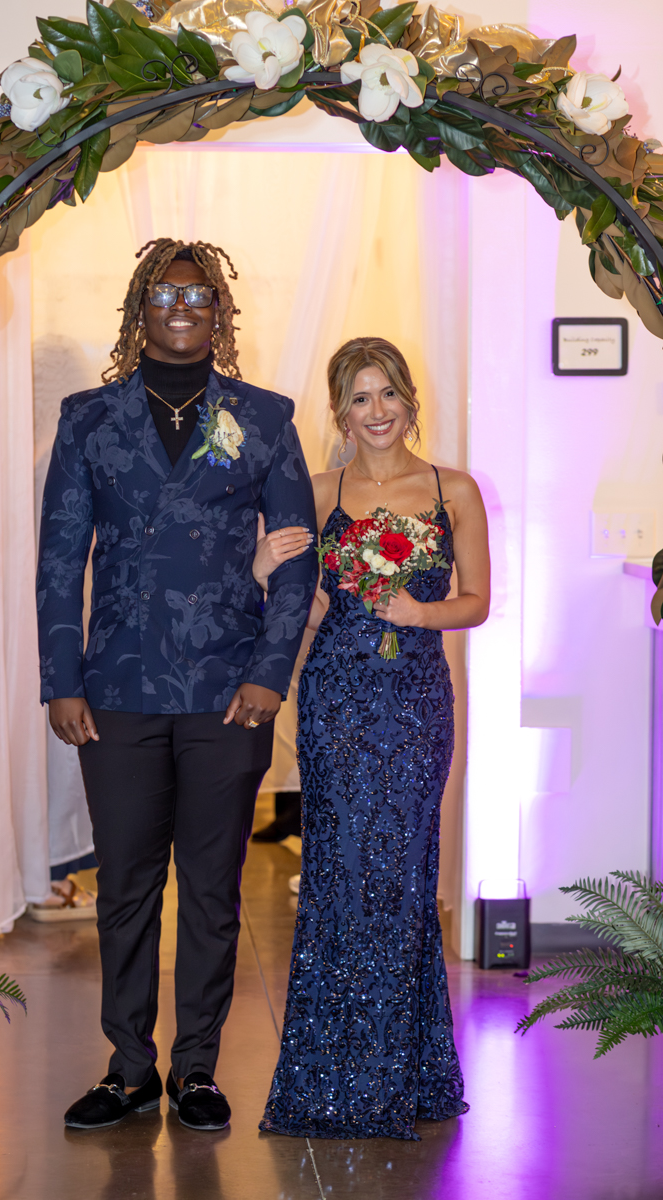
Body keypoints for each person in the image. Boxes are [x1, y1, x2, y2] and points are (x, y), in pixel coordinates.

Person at [35, 238, 317, 1132]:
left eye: (199, 294)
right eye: (166, 293)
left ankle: (196, 1067)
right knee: (123, 885)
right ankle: (128, 1067)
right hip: (114, 688)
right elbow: (57, 561)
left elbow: (302, 564)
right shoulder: (87, 419)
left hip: (229, 692)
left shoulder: (265, 418)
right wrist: (60, 678)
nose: (183, 306)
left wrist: (272, 675)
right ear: (140, 309)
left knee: (210, 886)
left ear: (219, 312)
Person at [253, 336, 490, 1139]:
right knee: (339, 873)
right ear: (339, 413)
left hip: (418, 703)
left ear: (409, 400)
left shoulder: (453, 489)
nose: (376, 411)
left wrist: (419, 612)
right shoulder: (321, 491)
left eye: (387, 393)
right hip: (337, 704)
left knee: (404, 874)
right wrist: (262, 574)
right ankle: (330, 1076)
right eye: (360, 398)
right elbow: (306, 607)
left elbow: (477, 601)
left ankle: (404, 1071)